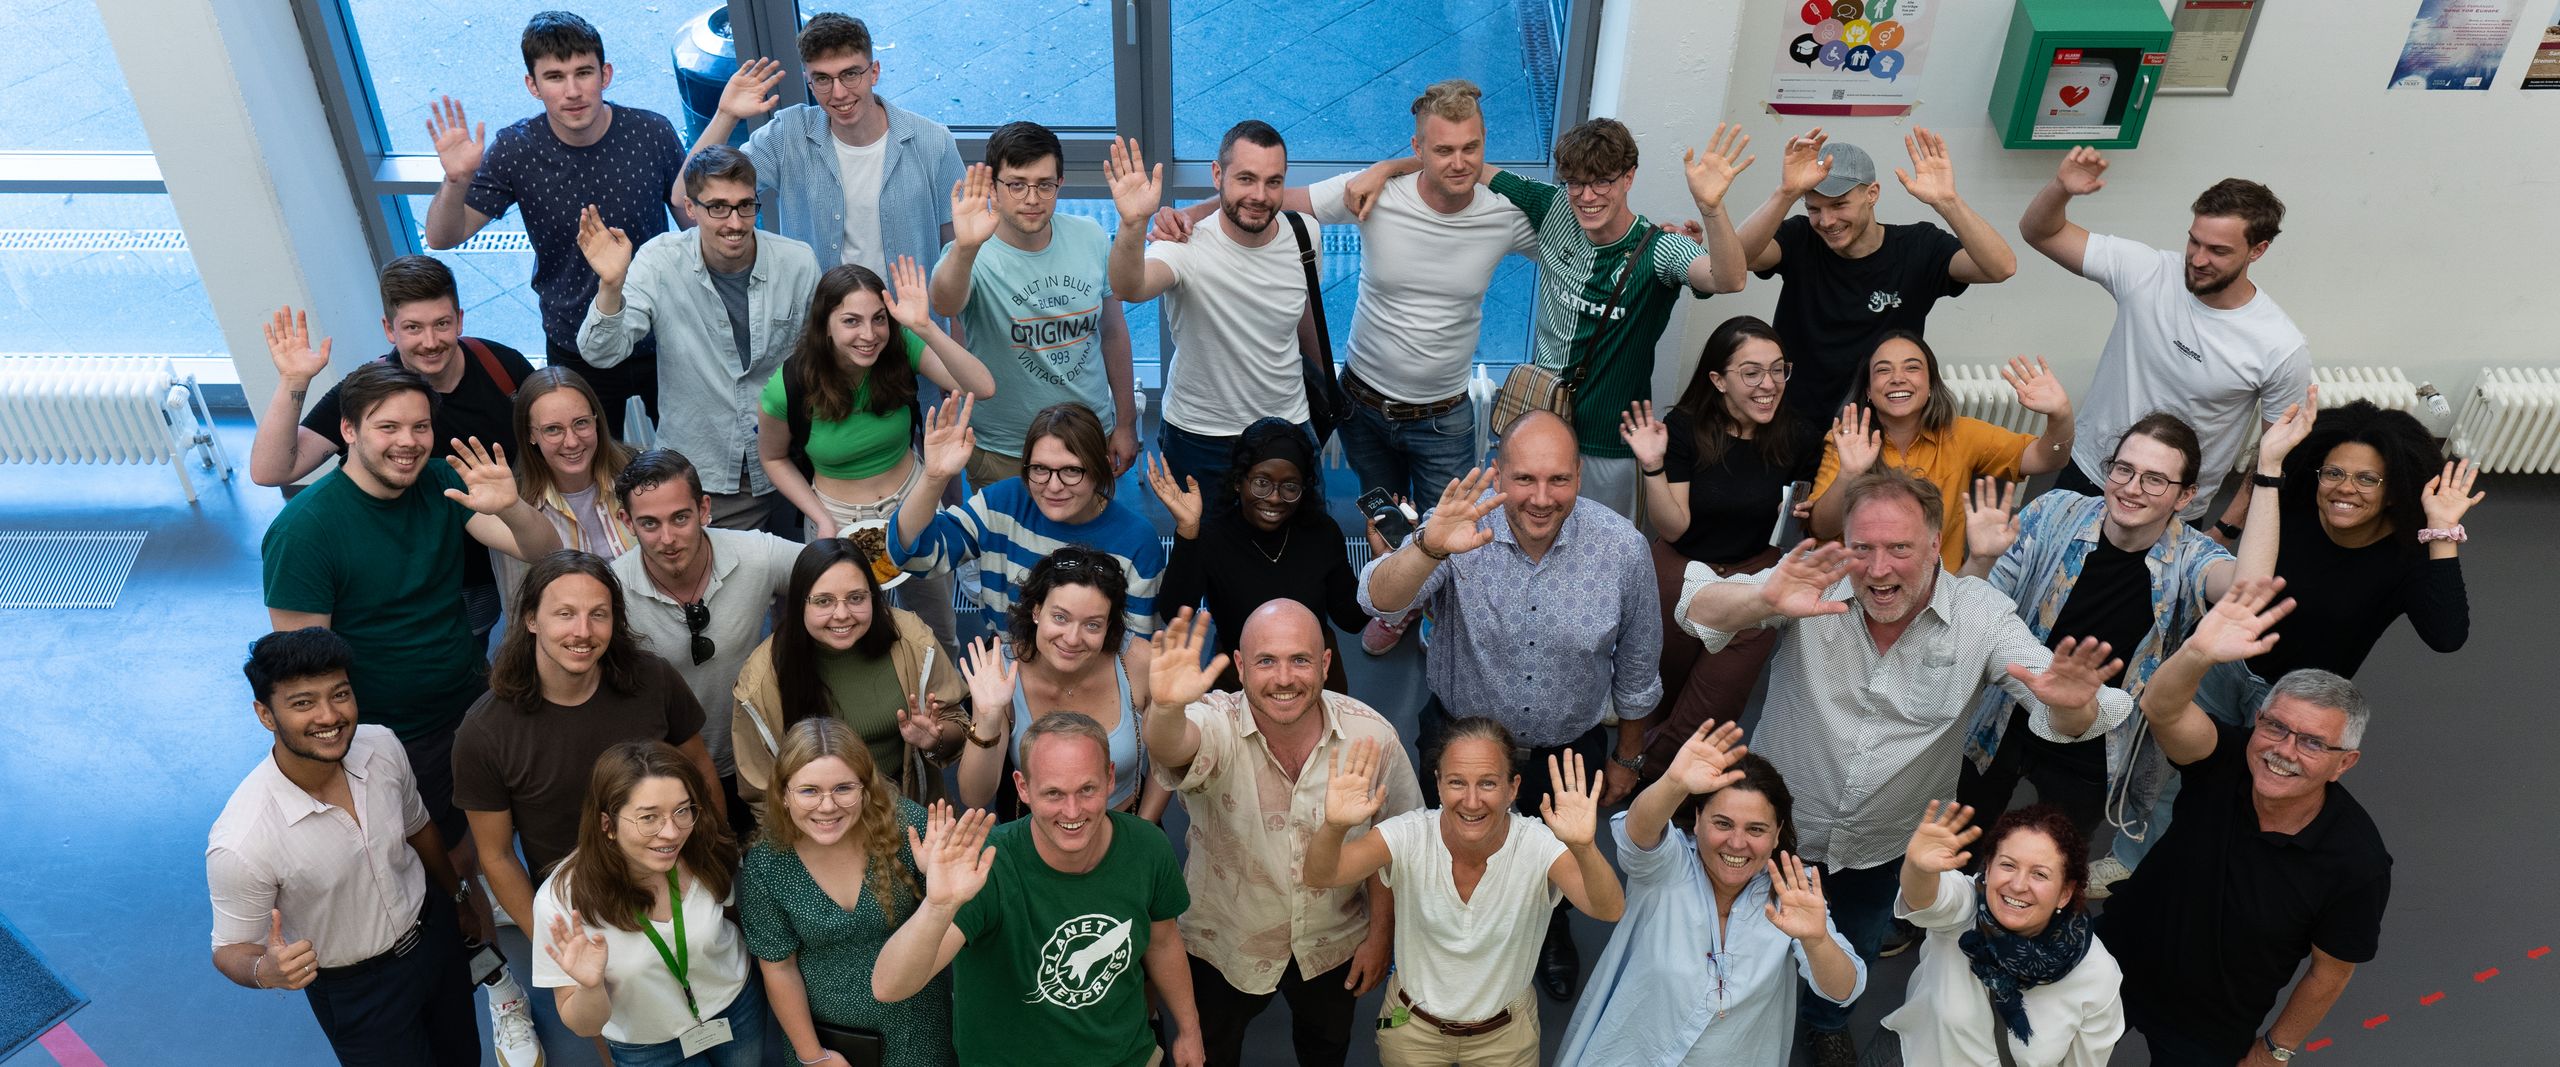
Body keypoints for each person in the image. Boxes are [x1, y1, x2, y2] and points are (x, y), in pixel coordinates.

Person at [1677, 467, 2132, 1066]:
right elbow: (1697, 607)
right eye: (1863, 547)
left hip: (1884, 841)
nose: (1878, 567)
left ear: (1935, 545)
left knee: (1856, 943)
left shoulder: (1982, 614)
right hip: (1775, 828)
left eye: (1899, 548)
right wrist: (1761, 598)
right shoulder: (1817, 578)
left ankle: (1826, 1021)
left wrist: (2071, 707)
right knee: (1733, 938)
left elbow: (2065, 713)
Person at [259, 363, 562, 999]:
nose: (408, 440)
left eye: (420, 426)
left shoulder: (440, 483)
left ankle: (498, 913)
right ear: (346, 431)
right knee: (444, 867)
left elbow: (541, 551)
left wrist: (511, 505)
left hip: (474, 702)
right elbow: (301, 675)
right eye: (387, 426)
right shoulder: (305, 531)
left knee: (501, 833)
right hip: (393, 737)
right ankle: (494, 980)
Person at [1357, 411, 1658, 999]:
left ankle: (1550, 930)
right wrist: (1425, 546)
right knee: (1447, 849)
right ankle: (1433, 935)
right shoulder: (1458, 533)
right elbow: (1378, 603)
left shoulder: (1623, 549)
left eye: (1559, 480)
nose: (1541, 499)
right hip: (1458, 741)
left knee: (1556, 857)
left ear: (1579, 476)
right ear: (1498, 473)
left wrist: (1628, 757)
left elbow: (1639, 668)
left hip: (1566, 756)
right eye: (1524, 479)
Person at [1955, 406, 2300, 892]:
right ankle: (1932, 913)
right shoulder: (2054, 512)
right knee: (1961, 836)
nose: (2132, 488)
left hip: (2098, 743)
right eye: (2125, 469)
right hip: (2005, 717)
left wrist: (2268, 468)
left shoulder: (2191, 559)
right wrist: (1981, 558)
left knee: (2051, 865)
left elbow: (2251, 588)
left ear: (2186, 497)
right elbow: (1970, 613)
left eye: (2156, 480)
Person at [1152, 80, 1536, 512]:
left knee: (1446, 541)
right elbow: (1269, 200)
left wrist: (1412, 166)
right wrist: (1187, 214)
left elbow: (1571, 228)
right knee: (1385, 532)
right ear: (1418, 148)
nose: (1460, 163)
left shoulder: (1503, 214)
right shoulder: (1376, 192)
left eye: (1472, 148)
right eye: (1443, 150)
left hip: (1444, 420)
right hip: (1364, 411)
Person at [2096, 579, 2392, 1067]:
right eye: (2275, 726)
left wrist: (2275, 1050)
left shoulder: (2356, 862)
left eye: (2314, 743)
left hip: (2212, 1021)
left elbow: (2330, 972)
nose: (2284, 751)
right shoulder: (2227, 757)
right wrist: (2197, 654)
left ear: (2345, 763)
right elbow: (2160, 707)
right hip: (2116, 960)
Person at [1397, 117, 1753, 518]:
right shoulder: (1552, 208)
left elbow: (1729, 278)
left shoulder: (1660, 249)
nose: (1587, 196)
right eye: (1575, 183)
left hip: (1609, 445)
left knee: (1600, 556)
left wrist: (1711, 207)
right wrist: (1382, 172)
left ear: (1628, 178)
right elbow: (1465, 167)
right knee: (1523, 541)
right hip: (1539, 431)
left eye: (1601, 181)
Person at [455, 551, 722, 1059]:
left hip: (675, 879)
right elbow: (496, 856)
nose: (583, 631)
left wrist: (714, 864)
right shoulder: (486, 732)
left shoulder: (653, 680)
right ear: (530, 619)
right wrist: (554, 945)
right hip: (584, 909)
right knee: (617, 1038)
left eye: (599, 614)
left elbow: (699, 770)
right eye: (564, 613)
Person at [1140, 604, 1423, 1066]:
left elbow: (1393, 847)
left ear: (1327, 664)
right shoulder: (1216, 722)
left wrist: (1379, 936)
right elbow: (1174, 743)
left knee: (1325, 1051)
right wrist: (1168, 708)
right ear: (1241, 666)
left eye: (1301, 660)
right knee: (1214, 1053)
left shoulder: (1373, 736)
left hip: (1332, 944)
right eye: (1267, 661)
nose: (1284, 678)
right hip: (1224, 944)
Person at [207, 628, 489, 1065]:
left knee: (464, 1057)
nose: (329, 716)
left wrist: (458, 899)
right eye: (303, 703)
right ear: (265, 715)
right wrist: (267, 971)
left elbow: (419, 829)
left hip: (436, 941)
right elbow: (229, 949)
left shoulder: (381, 746)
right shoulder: (242, 841)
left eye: (339, 694)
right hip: (358, 992)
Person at [872, 716, 1206, 1067]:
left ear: (1110, 778)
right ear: (1023, 787)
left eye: (1087, 789)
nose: (1073, 811)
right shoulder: (986, 864)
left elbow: (1163, 942)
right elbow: (889, 987)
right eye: (1053, 793)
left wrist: (1189, 1028)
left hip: (1126, 1057)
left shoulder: (1147, 846)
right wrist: (939, 905)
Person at [423, 11, 688, 436]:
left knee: (689, 455)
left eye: (583, 72)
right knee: (588, 463)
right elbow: (442, 236)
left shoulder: (651, 133)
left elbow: (692, 228)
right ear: (532, 85)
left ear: (606, 74)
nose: (572, 91)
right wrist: (456, 181)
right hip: (574, 338)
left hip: (662, 332)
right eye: (554, 76)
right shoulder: (516, 149)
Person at [1304, 718, 1625, 1066]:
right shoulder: (1408, 834)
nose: (1472, 802)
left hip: (1505, 1037)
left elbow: (1608, 909)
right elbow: (1323, 874)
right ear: (1439, 786)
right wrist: (1335, 827)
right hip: (1411, 1028)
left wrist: (1585, 848)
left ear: (1512, 788)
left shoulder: (1536, 844)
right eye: (1457, 782)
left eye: (1487, 783)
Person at [253, 257, 539, 640]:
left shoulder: (502, 366)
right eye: (412, 328)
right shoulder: (369, 390)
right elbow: (271, 471)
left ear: (460, 319)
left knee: (475, 651)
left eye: (442, 324)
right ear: (389, 329)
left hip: (497, 557)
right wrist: (293, 381)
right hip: (404, 574)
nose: (431, 341)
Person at [2019, 149, 2309, 520]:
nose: (2199, 259)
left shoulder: (2280, 346)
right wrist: (2061, 188)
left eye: (2218, 251)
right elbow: (2040, 231)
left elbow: (2275, 455)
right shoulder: (2147, 271)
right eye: (2195, 242)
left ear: (2258, 250)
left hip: (2173, 505)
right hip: (2092, 474)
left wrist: (2228, 528)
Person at [1555, 726, 1865, 1066]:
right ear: (1699, 819)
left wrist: (1817, 940)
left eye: (1756, 829)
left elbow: (1842, 989)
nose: (1736, 842)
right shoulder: (1669, 864)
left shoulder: (1793, 889)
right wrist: (1674, 783)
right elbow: (1637, 834)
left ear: (1777, 834)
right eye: (1723, 823)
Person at [578, 144, 822, 534]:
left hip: (791, 464)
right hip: (705, 474)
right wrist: (610, 285)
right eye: (718, 207)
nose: (735, 222)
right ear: (690, 209)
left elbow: (819, 361)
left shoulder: (797, 262)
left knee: (805, 585)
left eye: (746, 205)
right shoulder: (659, 261)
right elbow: (601, 353)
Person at [758, 260, 996, 650]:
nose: (869, 335)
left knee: (939, 632)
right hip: (835, 517)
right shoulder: (787, 386)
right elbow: (773, 458)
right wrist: (820, 519)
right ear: (825, 324)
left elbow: (982, 386)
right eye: (851, 321)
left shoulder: (902, 349)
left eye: (879, 319)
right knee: (849, 638)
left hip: (914, 504)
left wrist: (923, 326)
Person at [1618, 315, 1822, 771]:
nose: (1769, 384)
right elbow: (1673, 527)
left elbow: (1821, 502)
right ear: (1718, 380)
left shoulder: (1793, 433)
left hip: (1751, 573)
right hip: (1679, 566)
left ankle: (1652, 775)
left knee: (1711, 708)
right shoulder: (1686, 428)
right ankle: (1644, 776)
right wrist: (1652, 466)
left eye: (1778, 369)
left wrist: (1823, 496)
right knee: (1660, 688)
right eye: (1752, 373)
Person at [1103, 126, 1321, 511]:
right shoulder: (1185, 246)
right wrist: (1133, 224)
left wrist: (1324, 395)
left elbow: (1303, 318)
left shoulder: (1306, 236)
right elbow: (1128, 287)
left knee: (1291, 552)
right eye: (1245, 179)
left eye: (1273, 182)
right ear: (1217, 176)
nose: (1259, 195)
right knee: (1207, 553)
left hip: (1288, 427)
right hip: (1200, 437)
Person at [1733, 130, 2017, 418]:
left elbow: (2000, 267)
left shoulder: (1919, 246)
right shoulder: (1799, 236)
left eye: (1839, 205)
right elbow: (1734, 259)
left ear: (1872, 194)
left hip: (1880, 422)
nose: (1827, 221)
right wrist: (1785, 194)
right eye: (1814, 209)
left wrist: (1948, 201)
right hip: (1792, 417)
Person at [929, 121, 1139, 486]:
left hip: (1088, 438)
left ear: (1060, 183)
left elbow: (1113, 334)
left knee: (1088, 542)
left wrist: (1125, 422)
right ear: (993, 186)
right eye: (1016, 184)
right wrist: (965, 248)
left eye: (1044, 184)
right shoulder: (969, 251)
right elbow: (945, 304)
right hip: (1003, 450)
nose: (1031, 198)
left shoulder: (1089, 235)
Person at [2218, 400, 2476, 696]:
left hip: (2293, 700)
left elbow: (2447, 637)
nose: (2345, 487)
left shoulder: (2405, 557)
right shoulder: (2290, 508)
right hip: (2222, 662)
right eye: (2333, 473)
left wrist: (2442, 529)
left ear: (2393, 492)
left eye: (2367, 479)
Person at [608, 449, 804, 834]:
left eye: (680, 518)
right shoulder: (610, 590)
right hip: (667, 779)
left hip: (760, 759)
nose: (668, 539)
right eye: (649, 523)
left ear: (704, 509)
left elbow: (841, 570)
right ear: (626, 522)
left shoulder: (756, 553)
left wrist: (794, 639)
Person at [533, 741, 764, 1066]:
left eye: (682, 810)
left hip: (736, 1011)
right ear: (607, 825)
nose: (671, 833)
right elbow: (586, 1027)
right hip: (649, 1048)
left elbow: (730, 918)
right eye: (649, 817)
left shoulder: (705, 847)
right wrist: (590, 986)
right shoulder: (559, 901)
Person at [740, 717, 954, 1067]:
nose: (827, 806)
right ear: (784, 794)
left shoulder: (906, 828)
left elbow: (955, 919)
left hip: (918, 1027)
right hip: (829, 1041)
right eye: (809, 790)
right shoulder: (768, 863)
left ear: (865, 789)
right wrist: (813, 1057)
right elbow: (779, 969)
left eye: (843, 788)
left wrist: (936, 880)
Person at [687, 13, 963, 277]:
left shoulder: (932, 142)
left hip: (910, 321)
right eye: (822, 79)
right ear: (808, 81)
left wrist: (947, 327)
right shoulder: (787, 135)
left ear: (874, 72)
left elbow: (960, 254)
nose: (839, 93)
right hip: (818, 319)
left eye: (850, 74)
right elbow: (685, 194)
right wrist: (726, 115)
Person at [1870, 803, 2123, 1067]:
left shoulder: (2097, 975)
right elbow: (1924, 898)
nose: (2017, 884)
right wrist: (1919, 869)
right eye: (2008, 865)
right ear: (1988, 869)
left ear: (2065, 893)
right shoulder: (1968, 906)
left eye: (2039, 874)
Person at [889, 397, 1165, 638]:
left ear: (1100, 470)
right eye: (1040, 469)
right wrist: (933, 478)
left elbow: (1133, 649)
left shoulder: (1136, 542)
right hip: (1011, 671)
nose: (1053, 486)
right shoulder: (1000, 504)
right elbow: (915, 556)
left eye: (1071, 471)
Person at [730, 538, 970, 806]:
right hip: (820, 822)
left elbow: (959, 727)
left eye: (856, 598)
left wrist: (935, 740)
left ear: (873, 597)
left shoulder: (912, 641)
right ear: (800, 604)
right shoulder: (761, 679)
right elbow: (761, 791)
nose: (842, 614)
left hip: (908, 805)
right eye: (824, 601)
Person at [1807, 334, 2075, 570]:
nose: (1898, 378)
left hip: (1935, 589)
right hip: (1861, 584)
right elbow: (1822, 528)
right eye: (1883, 370)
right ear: (1868, 389)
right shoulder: (1847, 438)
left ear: (1931, 384)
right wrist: (1849, 474)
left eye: (1912, 368)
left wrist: (2060, 414)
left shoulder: (1961, 434)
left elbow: (2047, 458)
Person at [1149, 418, 1369, 693]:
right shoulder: (1213, 537)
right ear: (1239, 481)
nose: (1275, 498)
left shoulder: (1322, 533)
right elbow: (1175, 612)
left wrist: (1382, 566)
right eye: (1262, 482)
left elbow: (1351, 619)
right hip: (1239, 676)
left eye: (1290, 486)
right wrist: (1187, 533)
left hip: (1313, 675)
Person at [949, 548, 1166, 819]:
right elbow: (974, 796)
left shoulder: (1139, 662)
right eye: (1060, 617)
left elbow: (1165, 760)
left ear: (1109, 626)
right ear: (1036, 611)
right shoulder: (1001, 671)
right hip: (1037, 830)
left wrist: (1142, 830)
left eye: (1092, 625)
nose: (1072, 638)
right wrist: (989, 717)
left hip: (1129, 821)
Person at [495, 367, 638, 621]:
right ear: (530, 435)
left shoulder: (639, 477)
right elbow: (522, 614)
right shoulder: (515, 507)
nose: (571, 441)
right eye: (553, 429)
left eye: (581, 423)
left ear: (597, 420)